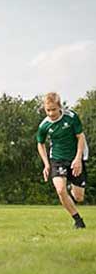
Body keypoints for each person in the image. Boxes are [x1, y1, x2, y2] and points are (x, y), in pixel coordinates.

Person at [37, 92, 88, 229]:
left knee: (79, 197)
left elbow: (80, 137)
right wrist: (46, 164)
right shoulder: (44, 125)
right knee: (60, 190)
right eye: (48, 110)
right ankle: (78, 220)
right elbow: (40, 144)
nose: (51, 113)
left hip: (75, 158)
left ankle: (72, 186)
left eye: (53, 109)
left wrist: (78, 158)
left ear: (59, 106)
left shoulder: (71, 117)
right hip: (57, 160)